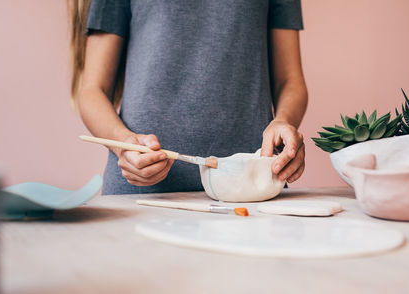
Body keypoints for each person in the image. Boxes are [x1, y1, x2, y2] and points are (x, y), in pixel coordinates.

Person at [68, 0, 308, 195]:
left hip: (252, 193)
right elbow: (92, 91)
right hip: (141, 197)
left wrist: (284, 123)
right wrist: (123, 145)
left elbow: (291, 81)